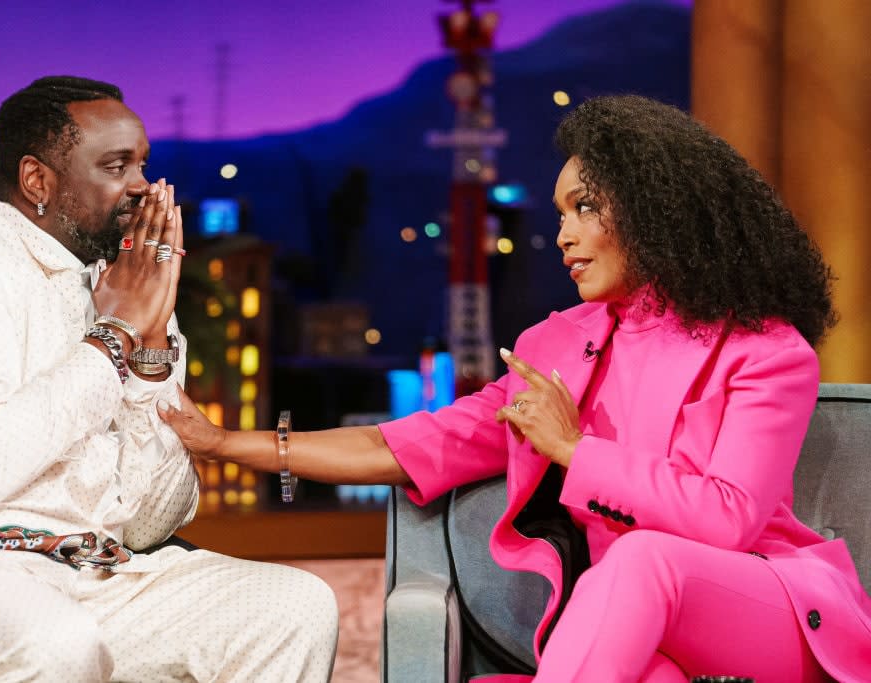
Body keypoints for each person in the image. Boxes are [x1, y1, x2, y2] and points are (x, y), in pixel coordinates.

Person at [158, 95, 871, 682]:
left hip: (769, 610)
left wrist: (573, 448)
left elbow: (727, 520)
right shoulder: (558, 350)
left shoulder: (766, 349)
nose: (563, 235)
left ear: (657, 210)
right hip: (632, 623)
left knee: (641, 558)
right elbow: (405, 443)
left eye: (585, 207)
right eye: (559, 213)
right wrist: (225, 443)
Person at [0, 76, 337, 682]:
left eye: (143, 164)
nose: (142, 186)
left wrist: (151, 351)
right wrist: (115, 335)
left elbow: (151, 523)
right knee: (54, 641)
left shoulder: (124, 289)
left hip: (86, 576)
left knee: (291, 606)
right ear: (38, 182)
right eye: (116, 166)